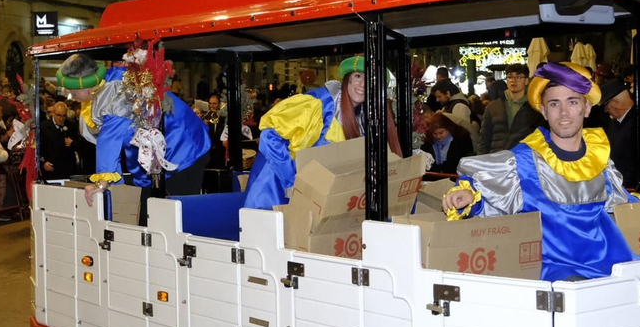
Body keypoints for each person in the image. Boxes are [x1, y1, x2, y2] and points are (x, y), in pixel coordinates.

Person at [442, 62, 637, 280]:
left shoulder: (600, 158)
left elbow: (623, 204)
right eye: (554, 104)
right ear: (543, 111)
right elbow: (487, 193)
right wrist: (469, 196)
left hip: (610, 269)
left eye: (572, 102)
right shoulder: (523, 162)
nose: (564, 113)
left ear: (587, 107)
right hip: (556, 277)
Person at [59, 47, 212, 216]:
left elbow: (109, 142)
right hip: (156, 157)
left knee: (172, 217)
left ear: (87, 84)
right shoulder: (107, 83)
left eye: (73, 90)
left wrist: (101, 185)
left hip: (181, 148)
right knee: (149, 213)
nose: (71, 95)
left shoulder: (112, 96)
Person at [242, 55, 401, 212]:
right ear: (347, 79)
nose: (363, 84)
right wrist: (293, 181)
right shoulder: (316, 103)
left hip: (310, 197)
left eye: (370, 79)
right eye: (358, 76)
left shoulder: (363, 119)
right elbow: (269, 136)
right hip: (272, 190)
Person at [591, 78, 638, 174]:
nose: (606, 110)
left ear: (616, 102)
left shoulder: (637, 123)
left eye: (606, 106)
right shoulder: (615, 123)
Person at [421, 112, 474, 176]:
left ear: (448, 129)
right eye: (435, 134)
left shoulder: (461, 139)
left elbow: (465, 161)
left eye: (441, 133)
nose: (438, 136)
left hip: (456, 176)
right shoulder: (428, 141)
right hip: (433, 177)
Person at [40, 99, 78, 179]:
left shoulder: (72, 125)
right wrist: (43, 162)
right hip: (51, 167)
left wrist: (72, 143)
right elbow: (40, 147)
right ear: (53, 113)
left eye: (63, 115)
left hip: (68, 167)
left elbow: (79, 144)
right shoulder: (44, 126)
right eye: (58, 115)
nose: (61, 118)